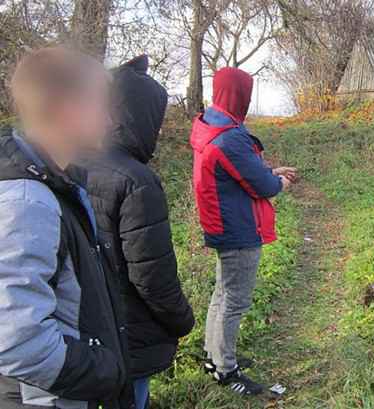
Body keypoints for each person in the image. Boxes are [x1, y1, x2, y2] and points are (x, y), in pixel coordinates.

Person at [0, 47, 133, 408]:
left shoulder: (58, 183)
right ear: (67, 108)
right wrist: (104, 371)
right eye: (99, 104)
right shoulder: (28, 201)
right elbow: (17, 341)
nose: (109, 120)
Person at [83, 55, 195, 409]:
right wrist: (181, 319)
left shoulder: (71, 164)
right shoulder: (136, 181)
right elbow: (151, 274)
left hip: (80, 337)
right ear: (141, 118)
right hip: (127, 337)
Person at [189, 67, 296, 396]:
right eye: (246, 95)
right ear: (240, 96)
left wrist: (269, 170)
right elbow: (262, 185)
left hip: (222, 222)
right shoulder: (231, 136)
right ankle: (226, 369)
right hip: (238, 228)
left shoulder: (210, 124)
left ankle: (214, 356)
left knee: (221, 295)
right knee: (234, 300)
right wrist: (280, 181)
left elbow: (235, 171)